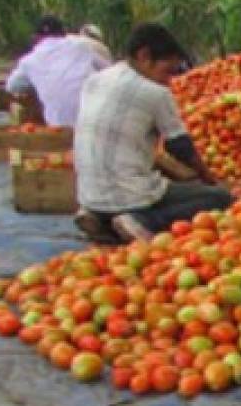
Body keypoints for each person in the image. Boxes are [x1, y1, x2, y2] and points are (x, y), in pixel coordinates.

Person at [74, 23, 232, 243]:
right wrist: (208, 178)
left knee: (154, 185)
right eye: (167, 71)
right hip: (130, 195)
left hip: (88, 194)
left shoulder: (95, 80)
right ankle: (144, 220)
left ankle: (97, 216)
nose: (169, 80)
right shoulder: (155, 93)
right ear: (144, 56)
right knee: (219, 199)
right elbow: (179, 147)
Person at [4, 15, 110, 127]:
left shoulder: (29, 60)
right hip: (96, 120)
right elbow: (109, 70)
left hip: (59, 126)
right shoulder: (82, 46)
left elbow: (11, 86)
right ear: (64, 33)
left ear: (36, 38)